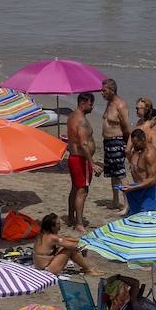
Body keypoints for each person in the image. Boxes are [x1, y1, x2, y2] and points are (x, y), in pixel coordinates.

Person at [66, 93, 98, 229]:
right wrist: (92, 163)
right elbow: (84, 144)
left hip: (73, 158)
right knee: (82, 190)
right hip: (81, 160)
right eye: (91, 104)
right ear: (82, 103)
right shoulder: (82, 121)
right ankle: (79, 223)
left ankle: (71, 217)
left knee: (75, 188)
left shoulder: (72, 117)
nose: (92, 107)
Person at [99, 79, 129, 210]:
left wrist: (128, 146)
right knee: (112, 174)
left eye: (104, 90)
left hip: (117, 141)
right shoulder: (109, 103)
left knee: (120, 174)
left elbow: (127, 128)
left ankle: (127, 204)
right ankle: (115, 200)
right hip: (108, 142)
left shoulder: (120, 105)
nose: (102, 93)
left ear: (112, 90)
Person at [122, 127, 156, 216]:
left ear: (143, 140)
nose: (134, 146)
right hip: (136, 189)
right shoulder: (138, 150)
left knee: (146, 221)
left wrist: (132, 188)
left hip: (147, 191)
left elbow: (153, 179)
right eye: (133, 143)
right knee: (133, 219)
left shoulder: (149, 154)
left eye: (136, 144)